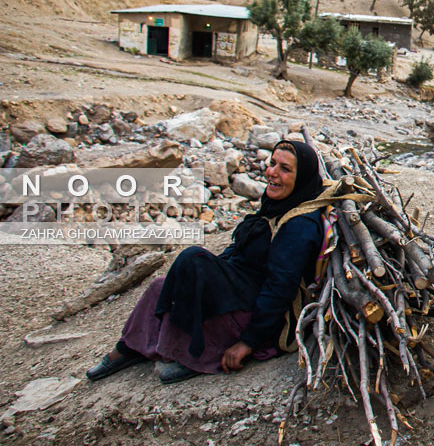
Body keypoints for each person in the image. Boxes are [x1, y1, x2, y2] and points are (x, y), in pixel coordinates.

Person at [86, 139, 333, 384]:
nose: (272, 173)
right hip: (239, 285)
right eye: (272, 164)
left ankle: (190, 352)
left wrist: (248, 342)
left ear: (301, 178)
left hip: (254, 308)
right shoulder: (280, 204)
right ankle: (130, 347)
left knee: (192, 259)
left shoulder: (299, 226)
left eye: (285, 169)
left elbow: (279, 288)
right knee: (161, 286)